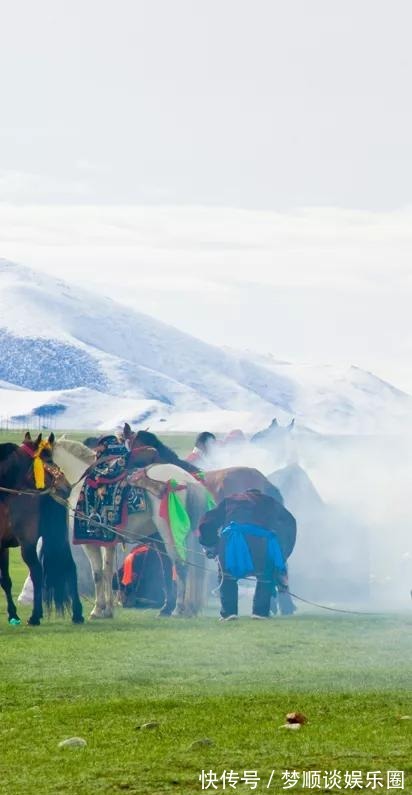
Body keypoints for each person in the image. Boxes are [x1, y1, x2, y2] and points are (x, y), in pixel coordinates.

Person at [199, 489, 296, 620]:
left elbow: (207, 522)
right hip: (262, 542)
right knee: (265, 578)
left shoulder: (230, 500)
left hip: (233, 541)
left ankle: (229, 613)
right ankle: (260, 613)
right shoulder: (269, 501)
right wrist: (281, 550)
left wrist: (211, 544)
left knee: (227, 577)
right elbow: (289, 522)